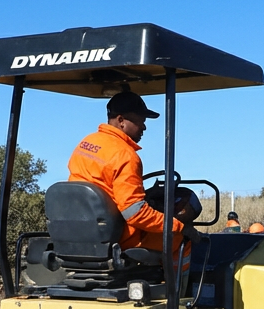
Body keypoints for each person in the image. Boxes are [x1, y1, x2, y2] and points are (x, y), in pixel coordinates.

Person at [67, 89, 200, 269]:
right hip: (118, 236)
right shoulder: (125, 155)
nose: (144, 127)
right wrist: (179, 226)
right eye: (140, 121)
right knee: (181, 239)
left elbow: (104, 188)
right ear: (121, 121)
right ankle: (175, 292)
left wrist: (146, 195)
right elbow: (135, 213)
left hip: (81, 231)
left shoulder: (86, 143)